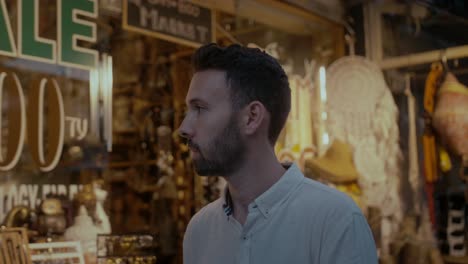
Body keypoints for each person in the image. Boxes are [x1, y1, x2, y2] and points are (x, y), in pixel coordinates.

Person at [178, 43, 378, 264]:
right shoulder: (200, 231)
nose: (184, 128)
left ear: (252, 117)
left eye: (200, 109)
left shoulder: (335, 220)